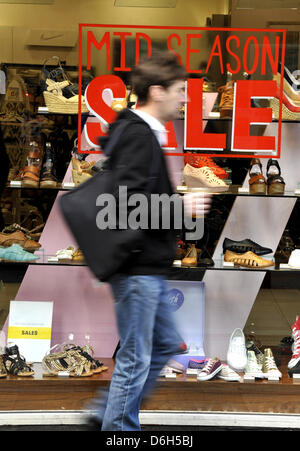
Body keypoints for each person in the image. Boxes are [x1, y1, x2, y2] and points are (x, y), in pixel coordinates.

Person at [86, 51, 211, 431]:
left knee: (161, 346)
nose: (185, 98)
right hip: (137, 269)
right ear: (156, 92)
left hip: (144, 268)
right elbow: (126, 207)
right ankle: (118, 429)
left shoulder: (140, 132)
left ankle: (105, 413)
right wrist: (183, 205)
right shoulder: (139, 136)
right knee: (138, 357)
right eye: (179, 91)